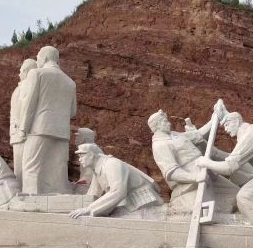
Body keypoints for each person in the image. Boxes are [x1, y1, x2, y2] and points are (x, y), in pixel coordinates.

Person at [148, 109, 239, 213]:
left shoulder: (173, 134)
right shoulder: (160, 145)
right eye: (165, 121)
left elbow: (198, 135)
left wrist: (214, 119)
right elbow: (172, 172)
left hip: (206, 170)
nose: (169, 123)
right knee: (204, 210)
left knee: (235, 194)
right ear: (157, 126)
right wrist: (195, 177)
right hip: (191, 182)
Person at [18, 45, 77, 195]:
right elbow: (73, 111)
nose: (37, 60)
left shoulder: (37, 73)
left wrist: (23, 128)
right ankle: (59, 196)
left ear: (43, 58)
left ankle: (31, 196)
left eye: (37, 57)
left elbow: (29, 103)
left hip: (40, 127)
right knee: (58, 168)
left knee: (31, 164)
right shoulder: (70, 82)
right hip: (62, 131)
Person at [68, 143, 163, 218]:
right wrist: (81, 207)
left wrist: (90, 209)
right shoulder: (97, 169)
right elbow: (93, 194)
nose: (79, 159)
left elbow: (118, 192)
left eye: (82, 156)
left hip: (142, 200)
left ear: (92, 155)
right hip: (124, 201)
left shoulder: (111, 164)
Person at [9, 58, 37, 190]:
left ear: (26, 71)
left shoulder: (27, 86)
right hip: (19, 131)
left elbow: (26, 108)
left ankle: (21, 191)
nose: (19, 74)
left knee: (22, 165)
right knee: (20, 165)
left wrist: (22, 130)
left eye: (21, 71)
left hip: (22, 132)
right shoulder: (21, 87)